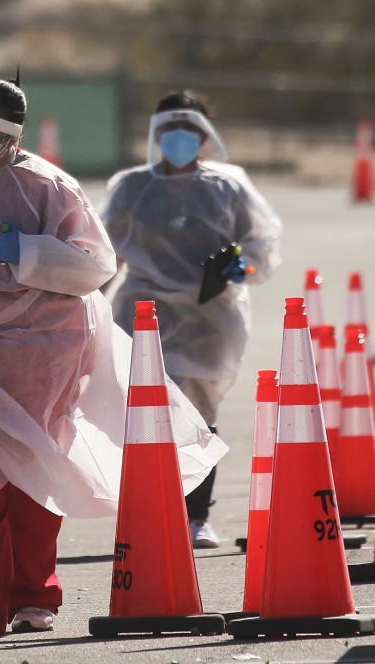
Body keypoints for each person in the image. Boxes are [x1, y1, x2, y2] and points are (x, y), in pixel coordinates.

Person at [0, 78, 226, 640]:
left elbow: (96, 266)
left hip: (36, 351)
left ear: (13, 139)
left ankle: (32, 595)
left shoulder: (45, 186)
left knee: (31, 475)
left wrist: (31, 255)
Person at [98, 90, 283, 549]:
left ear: (206, 137)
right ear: (155, 135)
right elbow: (105, 253)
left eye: (190, 130)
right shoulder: (131, 187)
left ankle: (196, 516)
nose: (179, 139)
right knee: (146, 417)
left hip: (210, 319)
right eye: (169, 129)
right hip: (143, 316)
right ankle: (152, 513)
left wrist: (246, 265)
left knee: (199, 416)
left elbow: (261, 244)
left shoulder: (229, 186)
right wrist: (86, 302)